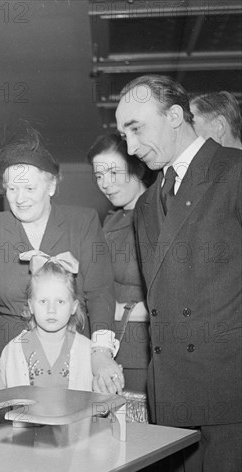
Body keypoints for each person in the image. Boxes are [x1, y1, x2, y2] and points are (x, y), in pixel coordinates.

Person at [116, 74, 242, 472]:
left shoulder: (234, 171)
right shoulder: (147, 203)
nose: (129, 147)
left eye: (135, 129)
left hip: (228, 396)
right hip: (169, 398)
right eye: (123, 134)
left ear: (174, 116)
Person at [0, 126, 123, 394]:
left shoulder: (83, 222)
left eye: (29, 187)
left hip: (74, 353)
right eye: (12, 188)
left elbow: (101, 293)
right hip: (9, 358)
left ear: (51, 185)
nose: (19, 198)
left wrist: (100, 353)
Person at [0, 252, 92, 472]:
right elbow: (11, 409)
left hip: (72, 454)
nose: (51, 310)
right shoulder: (15, 349)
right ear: (30, 306)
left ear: (74, 306)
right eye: (43, 301)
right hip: (30, 457)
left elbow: (90, 407)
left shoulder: (85, 350)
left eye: (60, 302)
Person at [87, 133, 155, 392]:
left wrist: (114, 310)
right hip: (103, 347)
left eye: (114, 172)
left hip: (142, 351)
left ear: (138, 168)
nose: (105, 184)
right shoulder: (111, 221)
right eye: (99, 176)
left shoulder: (161, 216)